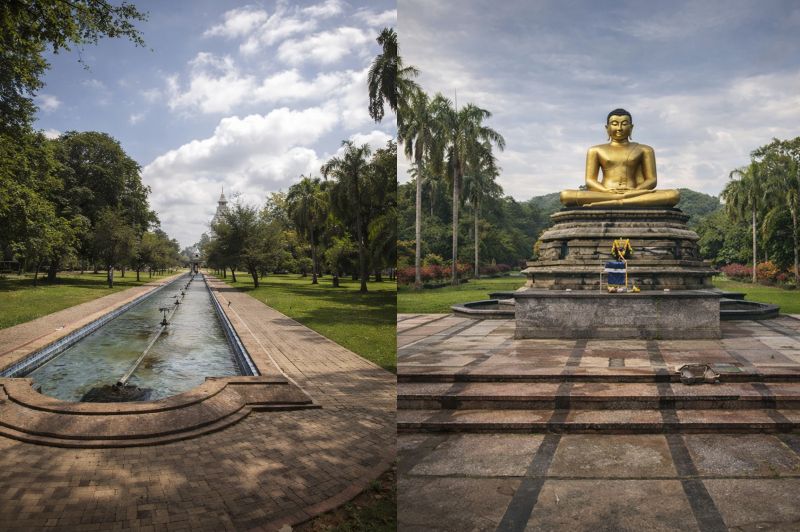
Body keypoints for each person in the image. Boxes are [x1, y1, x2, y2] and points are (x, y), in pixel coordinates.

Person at [560, 108, 680, 207]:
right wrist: (606, 191)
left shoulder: (645, 150)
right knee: (565, 195)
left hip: (635, 192)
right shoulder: (595, 150)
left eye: (624, 124)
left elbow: (652, 180)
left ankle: (618, 201)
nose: (619, 128)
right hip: (606, 193)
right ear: (607, 128)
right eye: (614, 124)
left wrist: (636, 190)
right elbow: (590, 181)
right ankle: (622, 200)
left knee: (673, 195)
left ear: (631, 127)